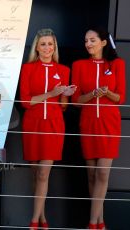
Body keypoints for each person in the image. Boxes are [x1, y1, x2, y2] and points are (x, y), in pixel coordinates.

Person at [19, 28, 76, 230]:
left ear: (55, 47)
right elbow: (26, 102)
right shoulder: (27, 69)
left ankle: (34, 221)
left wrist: (65, 94)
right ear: (37, 46)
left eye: (50, 44)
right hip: (33, 124)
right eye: (43, 44)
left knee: (44, 174)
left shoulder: (63, 70)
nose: (47, 48)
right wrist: (51, 92)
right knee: (36, 173)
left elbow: (63, 106)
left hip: (53, 125)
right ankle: (42, 217)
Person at [71, 27, 126, 230]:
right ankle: (101, 222)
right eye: (86, 41)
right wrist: (92, 95)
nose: (88, 44)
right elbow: (76, 101)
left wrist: (107, 92)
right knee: (92, 175)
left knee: (103, 173)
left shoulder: (117, 64)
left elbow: (121, 97)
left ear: (103, 42)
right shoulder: (79, 65)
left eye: (92, 40)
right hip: (88, 123)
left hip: (109, 123)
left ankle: (92, 223)